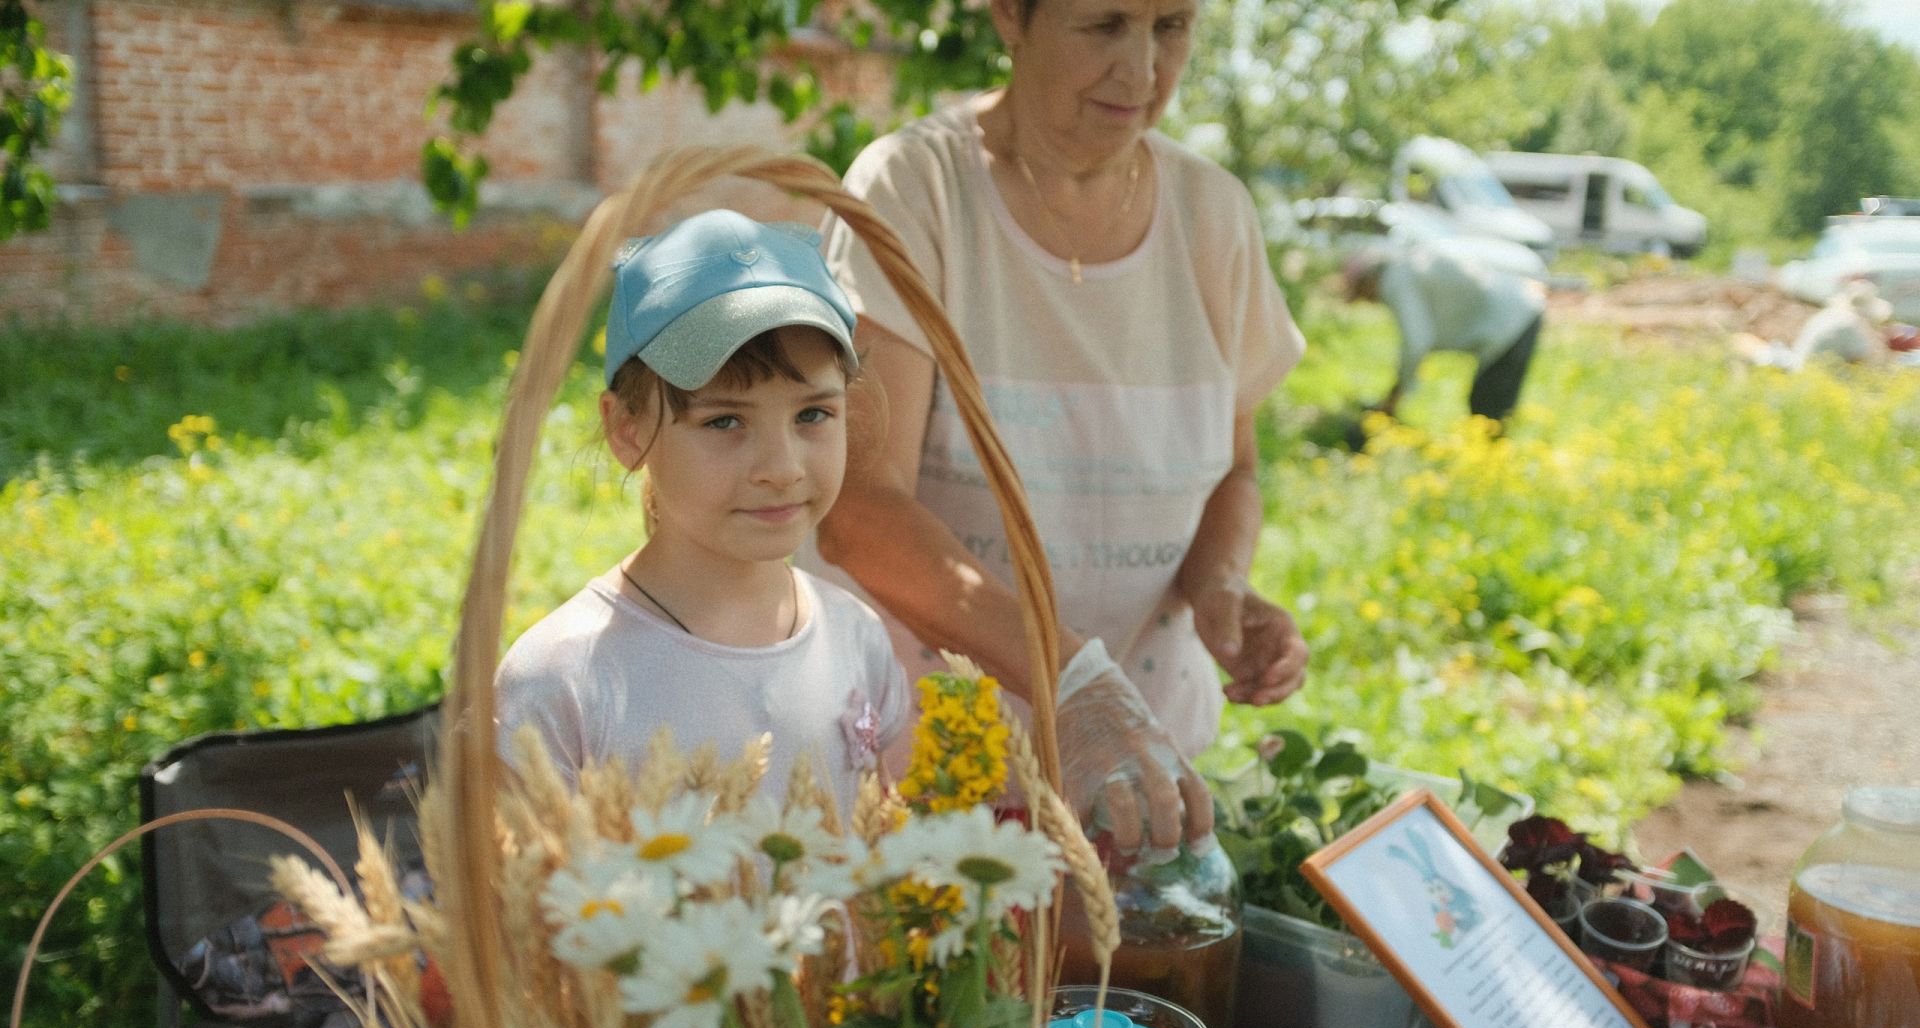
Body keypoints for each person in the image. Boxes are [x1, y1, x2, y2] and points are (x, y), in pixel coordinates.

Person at [800, 0, 1310, 860]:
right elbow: (858, 510)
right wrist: (1071, 677)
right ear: (1011, 17)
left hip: (1140, 776)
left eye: (1172, 27)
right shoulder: (915, 189)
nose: (1144, 71)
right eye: (1104, 25)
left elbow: (1235, 470)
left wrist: (1221, 584)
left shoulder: (1212, 215)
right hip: (928, 780)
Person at [496, 209, 910, 807]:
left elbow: (881, 860)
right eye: (724, 421)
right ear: (628, 430)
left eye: (812, 415)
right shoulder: (564, 680)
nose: (783, 466)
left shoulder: (856, 640)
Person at [1342, 243, 1548, 423]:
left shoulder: (1395, 281)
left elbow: (1417, 343)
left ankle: (1488, 464)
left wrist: (1395, 397)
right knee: (1487, 408)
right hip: (1520, 309)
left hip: (1514, 319)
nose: (1368, 301)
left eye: (1362, 295)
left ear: (1367, 281)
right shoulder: (1407, 266)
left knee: (1488, 409)